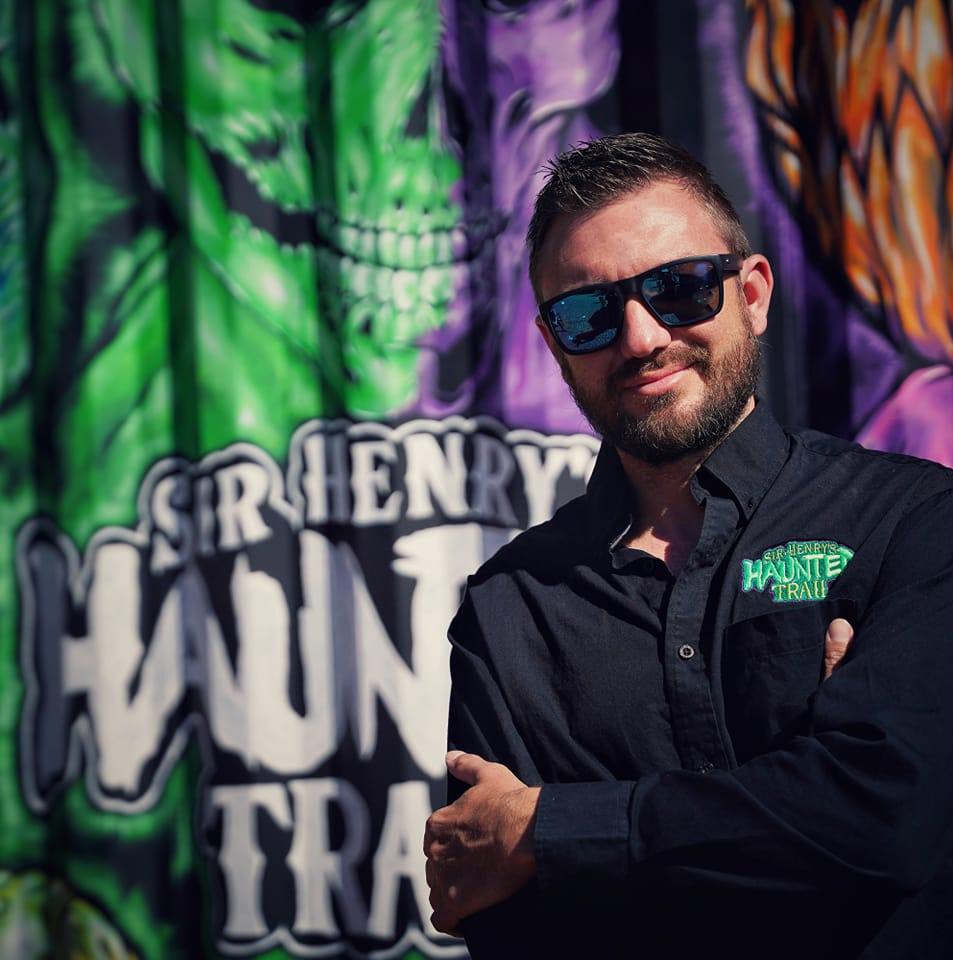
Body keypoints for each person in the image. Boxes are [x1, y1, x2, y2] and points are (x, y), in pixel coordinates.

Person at [423, 133, 953, 958]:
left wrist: (554, 830)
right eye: (588, 313)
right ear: (555, 344)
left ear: (753, 293)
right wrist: (799, 807)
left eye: (677, 288)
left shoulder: (911, 520)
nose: (639, 338)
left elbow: (887, 822)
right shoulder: (511, 609)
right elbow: (508, 916)